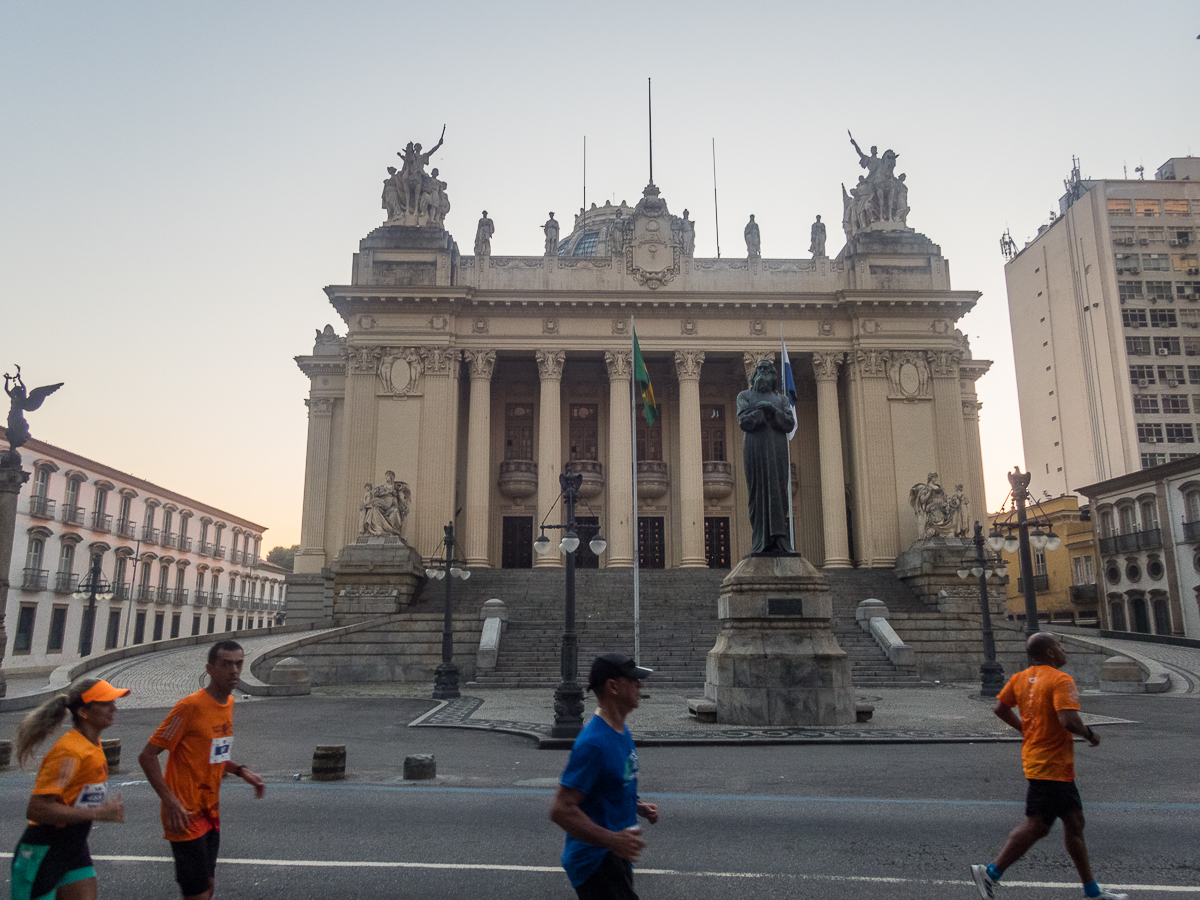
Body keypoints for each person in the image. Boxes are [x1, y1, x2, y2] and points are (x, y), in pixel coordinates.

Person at [971, 633, 1126, 900]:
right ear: (1051, 653)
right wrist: (1090, 734)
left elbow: (1000, 708)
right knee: (1037, 826)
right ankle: (990, 873)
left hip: (1043, 761)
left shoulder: (1020, 678)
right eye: (1060, 646)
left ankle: (1091, 890)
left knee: (1074, 822)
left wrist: (1026, 730)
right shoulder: (1061, 680)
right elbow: (1068, 720)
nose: (1064, 650)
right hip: (1051, 765)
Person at [139, 641, 265, 900]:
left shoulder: (228, 702)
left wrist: (241, 771)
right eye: (226, 664)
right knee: (198, 894)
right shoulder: (190, 707)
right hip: (184, 813)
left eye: (238, 663)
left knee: (207, 888)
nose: (234, 670)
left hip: (209, 812)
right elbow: (147, 756)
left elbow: (213, 754)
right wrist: (170, 801)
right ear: (210, 668)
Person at [550, 654, 659, 900]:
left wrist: (638, 805)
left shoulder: (619, 729)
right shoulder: (594, 744)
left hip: (614, 853)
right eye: (633, 680)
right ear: (613, 686)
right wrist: (613, 840)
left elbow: (609, 783)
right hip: (595, 860)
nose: (640, 685)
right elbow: (560, 809)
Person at [10, 679, 129, 900]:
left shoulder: (92, 743)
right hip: (43, 850)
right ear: (84, 711)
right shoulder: (70, 751)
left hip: (73, 847)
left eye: (113, 701)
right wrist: (97, 813)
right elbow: (37, 809)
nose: (114, 707)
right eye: (105, 703)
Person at [737, 359, 795, 554]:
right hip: (755, 449)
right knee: (757, 493)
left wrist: (772, 410)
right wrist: (762, 413)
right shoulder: (744, 396)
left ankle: (779, 540)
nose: (762, 372)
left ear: (773, 376)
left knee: (778, 491)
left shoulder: (782, 400)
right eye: (759, 370)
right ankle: (760, 540)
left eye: (766, 370)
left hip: (777, 450)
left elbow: (789, 423)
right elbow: (744, 421)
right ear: (754, 376)